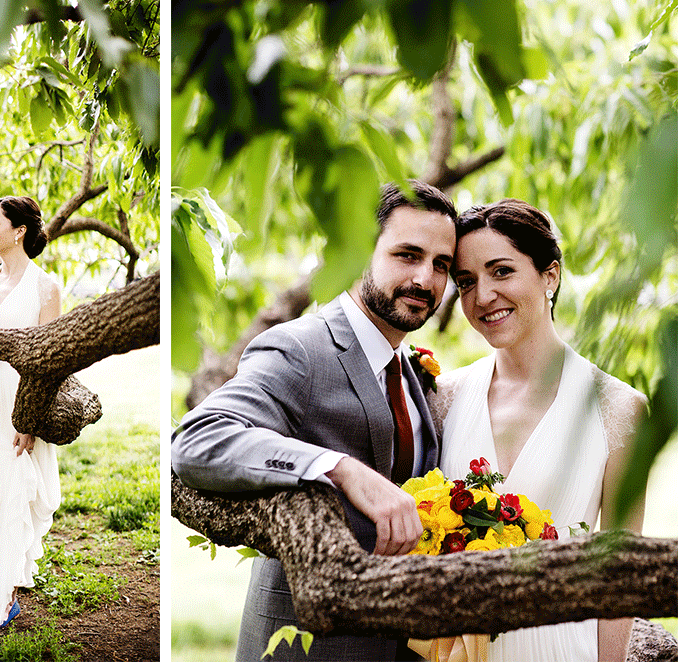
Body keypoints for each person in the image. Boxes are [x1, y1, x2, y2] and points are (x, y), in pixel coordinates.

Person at [172, 180, 457, 661]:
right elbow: (199, 438)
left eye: (441, 265)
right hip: (303, 645)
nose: (426, 280)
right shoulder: (300, 347)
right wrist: (339, 469)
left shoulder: (410, 370)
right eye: (407, 255)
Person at [434, 198, 645, 662]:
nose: (482, 296)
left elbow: (619, 580)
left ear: (549, 275)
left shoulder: (620, 408)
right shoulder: (442, 398)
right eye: (466, 282)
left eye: (501, 271)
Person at [0, 196, 63, 632]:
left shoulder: (46, 287)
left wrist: (31, 420)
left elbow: (50, 363)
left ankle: (1, 601)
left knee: (13, 498)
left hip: (19, 409)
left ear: (18, 231)